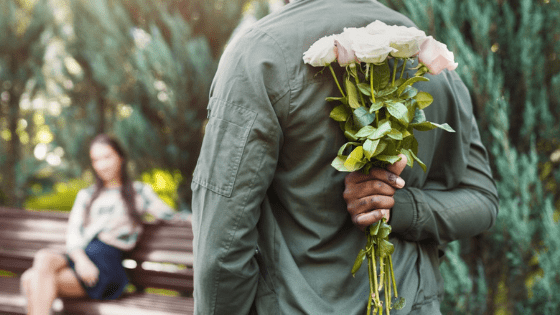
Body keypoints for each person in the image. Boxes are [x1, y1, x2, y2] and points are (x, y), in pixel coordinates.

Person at [190, 0, 499, 314]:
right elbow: (481, 199)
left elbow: (221, 251)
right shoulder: (426, 55)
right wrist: (404, 207)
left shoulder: (259, 54)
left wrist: (390, 206)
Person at [20, 134, 181, 315]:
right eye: (96, 160)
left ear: (121, 158)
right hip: (82, 260)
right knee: (43, 257)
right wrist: (81, 261)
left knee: (30, 279)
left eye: (107, 157)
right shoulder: (87, 195)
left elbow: (171, 216)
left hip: (105, 267)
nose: (102, 165)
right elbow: (73, 234)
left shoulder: (139, 192)